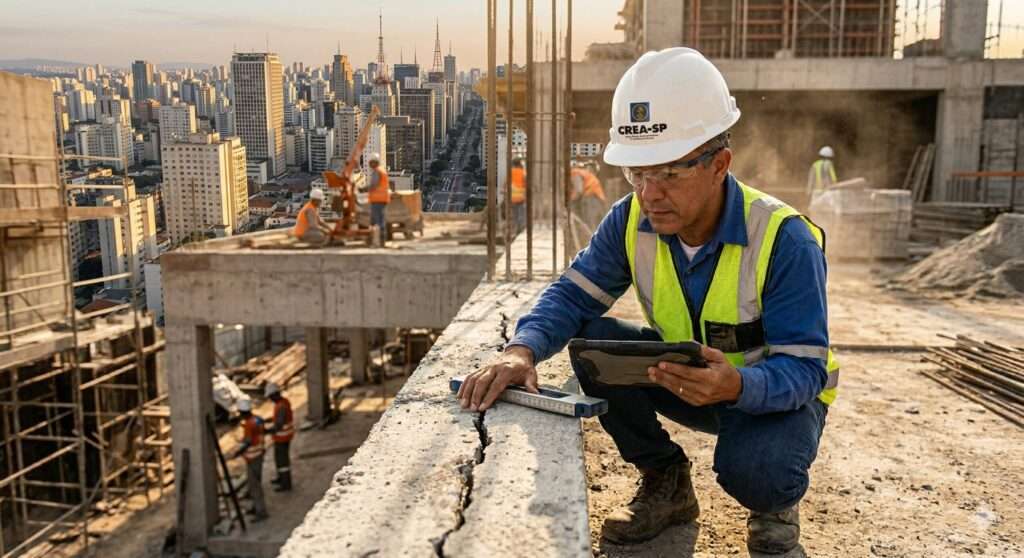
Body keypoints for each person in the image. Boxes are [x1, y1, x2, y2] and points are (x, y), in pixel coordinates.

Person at [457, 47, 838, 556]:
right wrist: (521, 349)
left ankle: (774, 514)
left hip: (775, 398)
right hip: (690, 380)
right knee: (595, 348)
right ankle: (666, 481)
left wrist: (737, 384)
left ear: (719, 164)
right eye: (637, 172)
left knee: (757, 473)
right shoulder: (629, 218)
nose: (649, 193)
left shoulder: (784, 240)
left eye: (669, 174)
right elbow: (573, 294)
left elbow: (806, 370)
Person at [231, 398, 268, 522]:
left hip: (253, 457)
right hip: (259, 454)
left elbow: (247, 442)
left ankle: (261, 511)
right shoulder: (258, 420)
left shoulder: (249, 424)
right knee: (255, 482)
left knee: (254, 486)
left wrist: (237, 452)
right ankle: (255, 507)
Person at [263, 382, 295, 492]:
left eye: (271, 397)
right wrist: (268, 420)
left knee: (282, 462)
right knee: (279, 459)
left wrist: (266, 431)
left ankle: (285, 484)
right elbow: (279, 418)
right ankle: (281, 478)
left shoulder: (280, 406)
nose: (270, 399)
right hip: (283, 437)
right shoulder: (283, 402)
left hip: (283, 437)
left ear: (275, 394)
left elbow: (279, 424)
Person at [569, 161, 608, 236]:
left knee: (589, 224)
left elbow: (578, 191)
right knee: (596, 224)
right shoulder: (584, 173)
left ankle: (593, 243)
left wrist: (570, 201)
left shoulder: (574, 172)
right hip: (598, 199)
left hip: (592, 199)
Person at [365, 153, 390, 245]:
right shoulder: (381, 170)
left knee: (378, 221)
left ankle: (381, 241)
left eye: (371, 162)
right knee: (377, 220)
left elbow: (373, 185)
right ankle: (377, 240)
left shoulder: (377, 171)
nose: (370, 164)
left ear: (375, 162)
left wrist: (363, 188)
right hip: (381, 199)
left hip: (378, 200)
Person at [510, 159, 527, 232]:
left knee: (515, 213)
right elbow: (525, 182)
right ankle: (521, 227)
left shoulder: (511, 172)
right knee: (521, 212)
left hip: (513, 196)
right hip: (521, 196)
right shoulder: (523, 172)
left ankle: (516, 227)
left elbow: (506, 182)